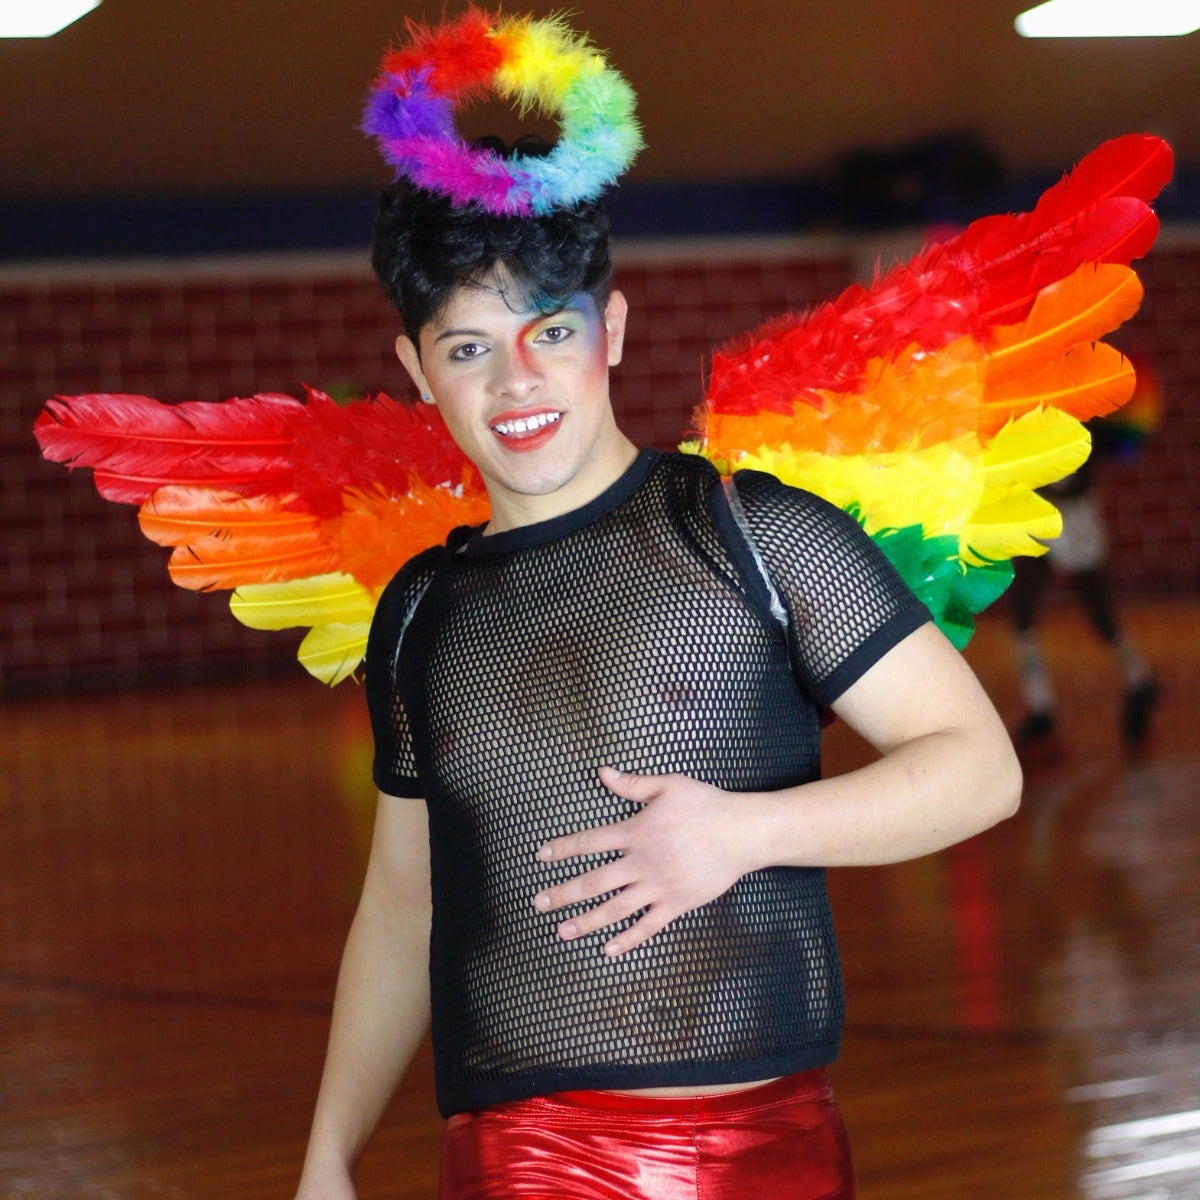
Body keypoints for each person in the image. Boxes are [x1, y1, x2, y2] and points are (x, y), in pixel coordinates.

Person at [294, 15, 1022, 1200]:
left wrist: (746, 832)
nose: (516, 380)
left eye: (551, 333)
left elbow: (981, 769)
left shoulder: (754, 535)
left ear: (612, 332)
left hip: (781, 1148)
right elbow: (402, 897)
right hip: (523, 1157)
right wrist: (329, 1152)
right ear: (420, 371)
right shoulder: (422, 612)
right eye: (468, 349)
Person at [1009, 452, 1160, 755]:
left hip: (1075, 520)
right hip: (1038, 516)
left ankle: (1138, 679)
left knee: (1101, 615)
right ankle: (1040, 706)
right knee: (1022, 615)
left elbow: (1076, 480)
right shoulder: (1022, 414)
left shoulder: (1085, 422)